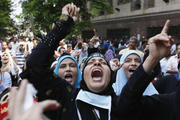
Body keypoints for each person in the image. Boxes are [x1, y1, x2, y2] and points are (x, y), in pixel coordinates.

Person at [20, 4, 122, 120]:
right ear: (83, 73)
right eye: (91, 62)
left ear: (110, 74)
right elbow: (34, 64)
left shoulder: (124, 105)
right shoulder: (67, 97)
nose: (97, 63)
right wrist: (64, 24)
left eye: (103, 62)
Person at [118, 20, 180, 120]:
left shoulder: (167, 84)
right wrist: (152, 59)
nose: (133, 64)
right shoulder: (171, 103)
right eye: (128, 60)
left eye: (137, 60)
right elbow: (126, 107)